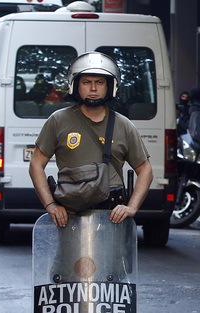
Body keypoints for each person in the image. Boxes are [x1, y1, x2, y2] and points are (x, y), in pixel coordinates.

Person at [29, 51, 153, 226]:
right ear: (76, 85)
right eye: (86, 82)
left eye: (99, 82)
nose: (93, 88)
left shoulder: (124, 125)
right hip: (70, 214)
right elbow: (36, 164)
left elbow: (145, 170)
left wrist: (131, 207)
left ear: (110, 86)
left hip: (111, 216)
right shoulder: (58, 120)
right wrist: (50, 205)